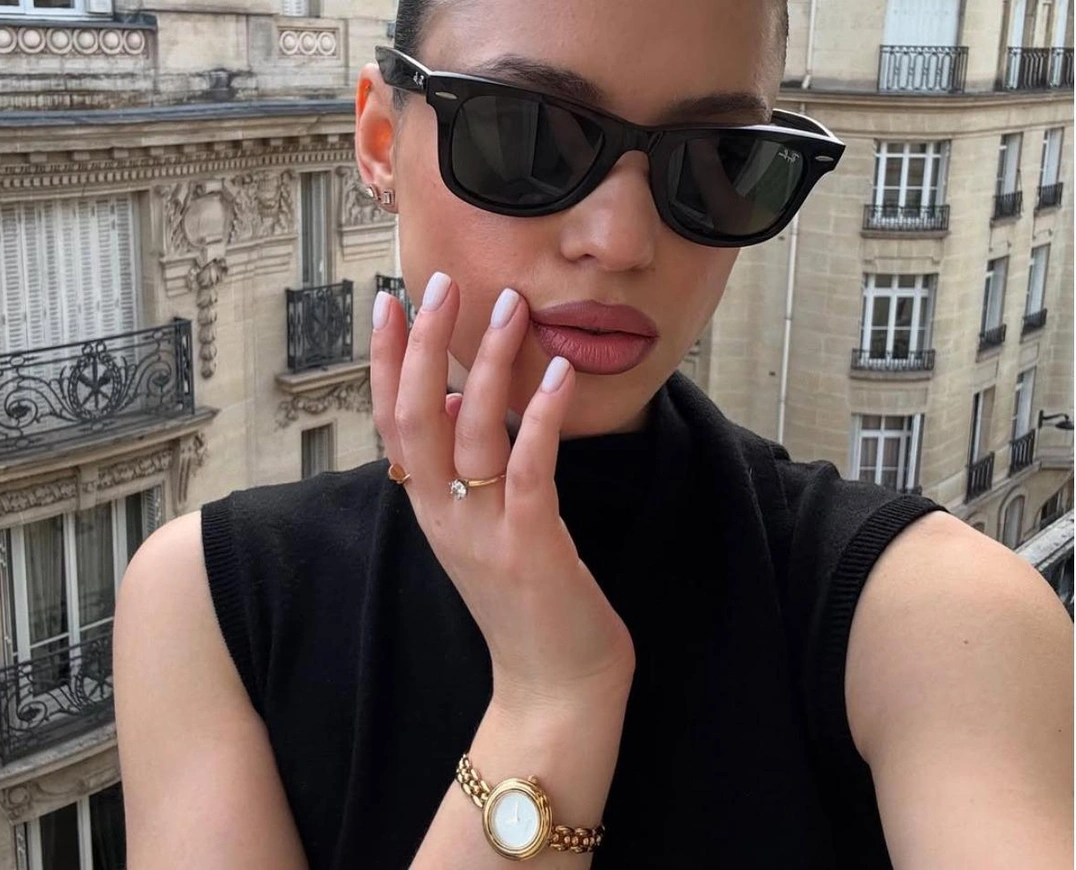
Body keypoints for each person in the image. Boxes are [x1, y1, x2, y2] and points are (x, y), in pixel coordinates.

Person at [114, 0, 1074, 867]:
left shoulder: (936, 618)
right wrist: (553, 697)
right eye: (526, 136)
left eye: (718, 160)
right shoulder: (214, 605)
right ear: (379, 142)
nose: (620, 240)